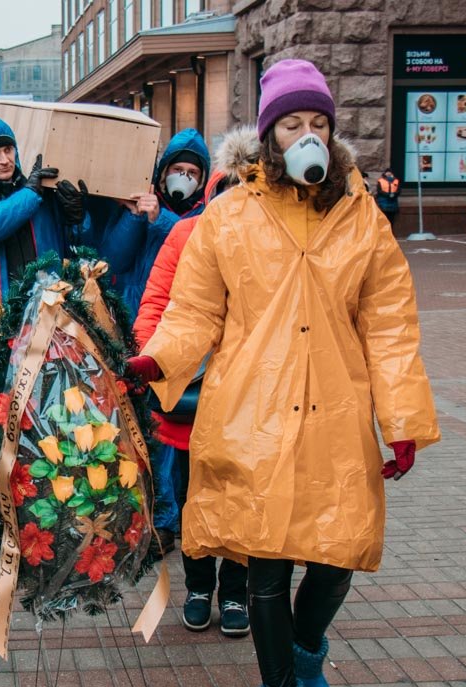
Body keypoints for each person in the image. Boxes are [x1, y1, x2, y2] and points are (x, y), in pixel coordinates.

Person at [129, 60, 440, 687]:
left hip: (335, 415)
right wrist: (159, 361)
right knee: (266, 564)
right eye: (295, 125)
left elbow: (390, 323)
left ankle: (308, 664)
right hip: (252, 417)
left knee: (337, 557)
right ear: (269, 137)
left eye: (320, 125)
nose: (310, 136)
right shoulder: (229, 215)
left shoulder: (362, 215)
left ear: (333, 136)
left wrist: (401, 418)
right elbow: (197, 309)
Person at [132, 127, 259, 639]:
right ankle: (200, 585)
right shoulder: (186, 233)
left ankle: (234, 590)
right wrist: (153, 360)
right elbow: (156, 302)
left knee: (244, 497)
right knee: (190, 497)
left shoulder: (273, 240)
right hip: (192, 395)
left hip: (253, 396)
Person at [0, 111, 89, 298]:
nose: (4, 160)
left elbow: (76, 246)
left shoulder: (41, 192)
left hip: (50, 307)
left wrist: (77, 218)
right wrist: (31, 193)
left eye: (8, 149)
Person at [97, 128, 211, 318]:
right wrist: (134, 217)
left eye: (192, 172)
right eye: (178, 170)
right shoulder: (145, 200)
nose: (184, 177)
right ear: (165, 171)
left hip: (177, 315)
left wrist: (160, 219)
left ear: (201, 179)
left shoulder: (207, 213)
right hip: (133, 310)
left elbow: (198, 248)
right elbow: (113, 262)